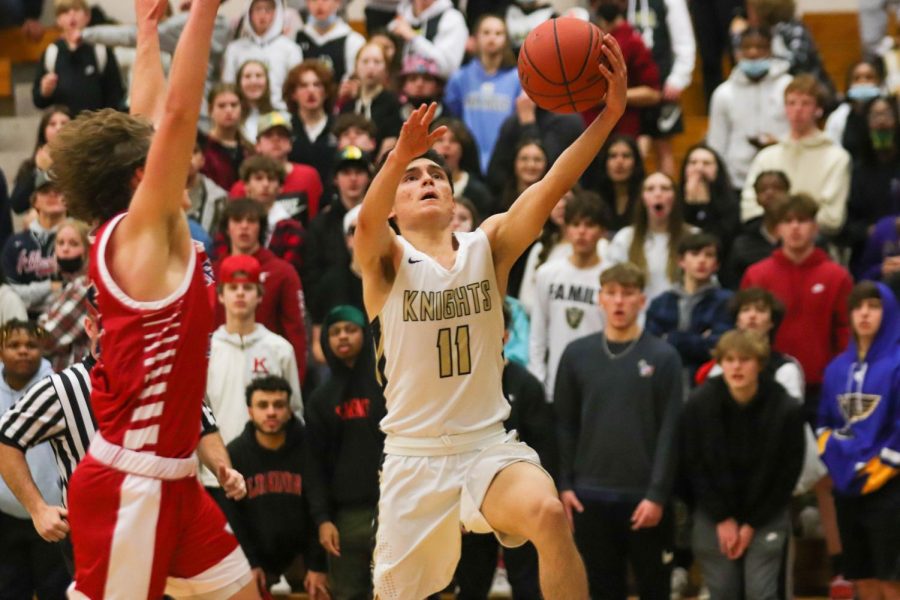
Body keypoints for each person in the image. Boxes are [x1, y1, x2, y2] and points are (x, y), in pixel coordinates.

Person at [353, 34, 627, 598]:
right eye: (412, 179)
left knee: (550, 516)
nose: (425, 180)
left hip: (486, 446)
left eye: (435, 176)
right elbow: (364, 224)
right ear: (396, 207)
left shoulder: (489, 245)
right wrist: (397, 156)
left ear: (454, 198)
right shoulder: (385, 260)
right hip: (413, 455)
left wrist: (608, 116)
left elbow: (552, 186)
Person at [47, 0, 257, 595]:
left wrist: (145, 31)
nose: (183, 157)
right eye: (166, 155)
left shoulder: (146, 230)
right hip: (129, 483)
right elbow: (178, 114)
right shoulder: (141, 236)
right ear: (143, 176)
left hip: (177, 479)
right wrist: (206, 12)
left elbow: (149, 117)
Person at [0, 311, 245, 567]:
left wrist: (222, 469)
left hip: (165, 531)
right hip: (98, 540)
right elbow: (6, 438)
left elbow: (202, 426)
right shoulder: (63, 388)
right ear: (90, 327)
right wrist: (38, 509)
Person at [555, 263, 684, 599]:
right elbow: (564, 424)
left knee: (654, 588)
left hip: (645, 499)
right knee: (600, 589)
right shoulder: (576, 354)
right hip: (588, 497)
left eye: (627, 294)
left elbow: (671, 431)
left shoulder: (664, 357)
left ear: (642, 300)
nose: (619, 302)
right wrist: (565, 484)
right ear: (599, 299)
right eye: (611, 293)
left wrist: (657, 494)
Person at [680, 329, 805, 600]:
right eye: (729, 359)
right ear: (720, 363)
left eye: (745, 359)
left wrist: (750, 524)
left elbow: (787, 474)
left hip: (766, 513)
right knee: (723, 591)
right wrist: (722, 518)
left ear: (759, 364)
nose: (736, 366)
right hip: (713, 513)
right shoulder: (699, 405)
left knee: (761, 592)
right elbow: (693, 466)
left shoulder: (786, 409)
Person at [455, 300, 556, 599]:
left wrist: (541, 501)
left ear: (505, 335)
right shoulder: (460, 385)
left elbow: (545, 449)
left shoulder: (526, 385)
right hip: (473, 502)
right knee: (471, 586)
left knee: (527, 585)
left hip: (519, 501)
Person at [818, 281, 900, 600]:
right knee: (861, 577)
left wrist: (880, 469)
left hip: (890, 487)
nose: (864, 313)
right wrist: (838, 460)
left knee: (891, 579)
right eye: (858, 306)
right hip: (847, 486)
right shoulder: (836, 368)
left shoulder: (896, 364)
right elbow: (824, 422)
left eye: (874, 306)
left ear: (890, 312)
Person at [741, 194, 853, 423]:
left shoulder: (837, 276)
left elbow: (845, 332)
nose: (795, 228)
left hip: (821, 386)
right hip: (767, 383)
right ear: (777, 229)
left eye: (802, 221)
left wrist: (840, 377)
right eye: (787, 221)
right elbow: (743, 330)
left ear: (814, 227)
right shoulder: (757, 274)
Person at [204, 254, 302, 495]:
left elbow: (294, 412)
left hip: (268, 478)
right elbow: (198, 418)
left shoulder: (279, 349)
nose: (239, 294)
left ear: (259, 295)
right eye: (232, 287)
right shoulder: (206, 351)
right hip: (217, 476)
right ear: (220, 295)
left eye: (247, 288)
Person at [221, 375, 328, 597]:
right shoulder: (234, 454)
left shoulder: (309, 447)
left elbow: (319, 506)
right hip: (257, 554)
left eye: (278, 405)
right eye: (263, 405)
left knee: (325, 590)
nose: (271, 412)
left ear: (289, 410)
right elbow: (234, 518)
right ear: (250, 411)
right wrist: (250, 563)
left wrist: (318, 565)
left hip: (302, 553)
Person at [305, 305, 385, 600]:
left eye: (350, 330)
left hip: (392, 508)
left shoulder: (387, 386)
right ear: (325, 340)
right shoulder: (319, 400)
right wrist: (323, 519)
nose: (343, 337)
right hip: (345, 518)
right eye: (335, 332)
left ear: (365, 334)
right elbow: (314, 466)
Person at [0, 320, 70, 598]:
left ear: (42, 349)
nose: (23, 351)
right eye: (13, 345)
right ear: (0, 350)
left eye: (31, 345)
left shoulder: (59, 389)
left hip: (53, 515)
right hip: (4, 516)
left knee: (55, 591)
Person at [740, 74, 851, 237]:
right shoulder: (766, 157)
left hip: (817, 244)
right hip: (768, 244)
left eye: (806, 103)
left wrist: (797, 228)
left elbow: (832, 219)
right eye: (791, 103)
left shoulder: (837, 157)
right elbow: (749, 209)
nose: (798, 109)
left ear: (818, 109)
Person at [215, 200, 309, 385]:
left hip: (269, 372)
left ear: (261, 227)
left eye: (251, 221)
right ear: (227, 228)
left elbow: (296, 331)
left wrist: (294, 384)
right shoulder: (212, 272)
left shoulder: (283, 272)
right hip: (220, 368)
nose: (244, 227)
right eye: (237, 220)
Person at [529, 193, 609, 401]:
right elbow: (538, 332)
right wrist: (538, 379)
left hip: (598, 385)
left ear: (602, 231)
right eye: (575, 224)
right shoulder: (547, 273)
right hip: (554, 384)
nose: (581, 232)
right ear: (566, 228)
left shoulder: (610, 277)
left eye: (589, 225)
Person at [705, 26, 792, 191]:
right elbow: (717, 143)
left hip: (782, 176)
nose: (753, 53)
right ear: (738, 52)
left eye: (760, 47)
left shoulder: (788, 87)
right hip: (737, 182)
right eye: (747, 47)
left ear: (771, 50)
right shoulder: (723, 93)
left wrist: (780, 143)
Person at [645, 232, 733, 383]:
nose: (702, 260)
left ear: (717, 265)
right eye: (695, 254)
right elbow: (651, 348)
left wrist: (670, 338)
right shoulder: (661, 303)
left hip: (708, 381)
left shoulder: (727, 301)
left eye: (709, 255)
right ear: (681, 261)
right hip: (663, 379)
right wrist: (700, 340)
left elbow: (719, 347)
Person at [444, 14, 521, 176]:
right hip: (469, 161)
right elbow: (453, 118)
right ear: (475, 38)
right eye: (486, 32)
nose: (492, 38)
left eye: (498, 33)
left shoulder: (517, 79)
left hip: (505, 161)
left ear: (506, 39)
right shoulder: (460, 77)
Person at [606, 171, 694, 302]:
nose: (658, 194)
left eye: (665, 188)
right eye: (650, 189)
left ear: (675, 197)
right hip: (637, 318)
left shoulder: (692, 236)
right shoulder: (625, 238)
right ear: (642, 198)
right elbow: (611, 284)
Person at [303, 146, 372, 304]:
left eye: (359, 172)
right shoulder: (320, 224)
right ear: (335, 178)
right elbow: (312, 276)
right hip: (333, 309)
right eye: (346, 173)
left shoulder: (383, 219)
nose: (353, 179)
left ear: (369, 177)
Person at [231, 112, 324, 227]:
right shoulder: (241, 187)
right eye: (269, 135)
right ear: (258, 145)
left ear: (290, 143)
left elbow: (315, 220)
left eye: (282, 135)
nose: (276, 139)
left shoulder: (309, 176)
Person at [32, 0, 124, 114]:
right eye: (65, 11)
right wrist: (44, 92)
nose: (71, 15)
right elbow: (38, 101)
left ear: (87, 16)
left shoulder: (100, 50)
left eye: (76, 9)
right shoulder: (51, 53)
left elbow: (116, 95)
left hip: (96, 127)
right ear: (58, 20)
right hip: (65, 128)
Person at [589, 0, 661, 139]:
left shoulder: (633, 42)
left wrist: (607, 97)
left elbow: (653, 93)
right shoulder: (595, 39)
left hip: (622, 128)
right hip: (592, 125)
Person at [1, 170, 66, 319]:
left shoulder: (78, 239)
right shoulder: (15, 244)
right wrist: (49, 286)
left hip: (66, 320)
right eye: (45, 191)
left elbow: (77, 290)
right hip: (22, 323)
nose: (52, 195)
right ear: (35, 201)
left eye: (58, 190)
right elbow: (9, 294)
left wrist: (33, 297)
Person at [845, 96, 900, 272]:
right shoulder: (858, 169)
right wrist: (873, 231)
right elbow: (848, 225)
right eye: (875, 116)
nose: (882, 122)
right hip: (871, 256)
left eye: (887, 115)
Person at [221, 0, 302, 113]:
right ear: (249, 13)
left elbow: (296, 88)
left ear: (276, 13)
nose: (262, 15)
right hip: (243, 114)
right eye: (258, 9)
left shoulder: (291, 49)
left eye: (268, 10)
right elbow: (228, 87)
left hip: (280, 113)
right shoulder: (234, 49)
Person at [37, 218, 93, 372]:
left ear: (88, 250)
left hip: (75, 377)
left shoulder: (83, 286)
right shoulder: (69, 284)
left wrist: (43, 321)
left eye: (74, 244)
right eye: (60, 243)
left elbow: (45, 339)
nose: (65, 249)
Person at [721, 170, 789, 289]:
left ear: (788, 193)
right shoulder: (744, 238)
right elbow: (731, 282)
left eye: (776, 188)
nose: (770, 193)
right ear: (757, 198)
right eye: (763, 190)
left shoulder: (802, 232)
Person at [337, 41, 403, 153]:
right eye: (365, 61)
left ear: (386, 69)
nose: (371, 67)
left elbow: (390, 142)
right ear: (356, 67)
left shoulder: (392, 102)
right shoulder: (348, 104)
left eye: (377, 62)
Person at [10, 106, 72, 220]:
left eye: (64, 123)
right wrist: (40, 171)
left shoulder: (82, 165)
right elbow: (17, 205)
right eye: (52, 124)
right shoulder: (29, 166)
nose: (59, 128)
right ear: (43, 132)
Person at [677, 144, 739, 257]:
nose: (699, 168)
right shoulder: (674, 199)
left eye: (706, 163)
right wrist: (690, 204)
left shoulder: (731, 202)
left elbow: (723, 240)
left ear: (718, 170)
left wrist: (704, 205)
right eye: (693, 163)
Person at [284, 60, 340, 186]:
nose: (311, 91)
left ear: (326, 92)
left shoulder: (339, 127)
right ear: (293, 93)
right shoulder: (285, 129)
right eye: (303, 85)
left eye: (317, 85)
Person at [431, 117, 495, 217]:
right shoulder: (422, 186)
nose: (446, 145)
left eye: (453, 141)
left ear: (462, 148)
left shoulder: (479, 192)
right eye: (440, 140)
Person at [388, 0, 468, 80]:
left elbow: (448, 69)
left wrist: (413, 38)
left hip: (439, 89)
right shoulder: (400, 19)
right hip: (400, 87)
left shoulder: (452, 19)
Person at [582, 134, 645, 233]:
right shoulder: (593, 199)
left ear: (636, 162)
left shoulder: (645, 196)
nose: (619, 162)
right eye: (613, 156)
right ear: (605, 162)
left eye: (626, 156)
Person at [824, 59, 887, 158]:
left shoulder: (890, 114)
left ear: (878, 82)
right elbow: (832, 154)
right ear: (849, 84)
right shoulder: (838, 117)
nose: (863, 82)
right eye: (857, 78)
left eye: (869, 77)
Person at [295, 0, 366, 85]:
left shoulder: (354, 41)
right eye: (314, 0)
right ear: (307, 3)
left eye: (325, 0)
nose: (319, 4)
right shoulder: (297, 37)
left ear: (338, 3)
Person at [200, 83, 254, 191]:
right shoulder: (203, 148)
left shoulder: (249, 149)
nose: (229, 111)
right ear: (211, 111)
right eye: (221, 106)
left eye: (234, 105)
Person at [235, 59, 279, 144]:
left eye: (258, 76)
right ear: (239, 83)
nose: (253, 81)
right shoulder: (232, 118)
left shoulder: (279, 117)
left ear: (267, 82)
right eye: (247, 76)